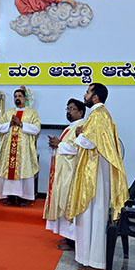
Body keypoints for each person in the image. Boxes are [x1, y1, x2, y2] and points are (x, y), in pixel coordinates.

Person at [65, 83, 129, 270]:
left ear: (95, 97)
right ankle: (90, 260)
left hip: (95, 176)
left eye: (87, 92)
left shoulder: (98, 115)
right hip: (95, 172)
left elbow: (89, 141)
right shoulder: (99, 114)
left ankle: (98, 264)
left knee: (94, 217)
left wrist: (78, 134)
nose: (84, 95)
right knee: (91, 217)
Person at [44, 98, 86, 251]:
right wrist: (56, 144)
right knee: (63, 200)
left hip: (71, 173)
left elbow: (78, 149)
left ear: (81, 112)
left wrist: (59, 144)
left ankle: (73, 241)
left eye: (72, 109)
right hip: (64, 171)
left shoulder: (82, 127)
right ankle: (68, 236)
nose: (69, 112)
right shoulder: (71, 127)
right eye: (67, 108)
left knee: (68, 203)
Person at [0, 88, 41, 207]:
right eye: (15, 96)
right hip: (9, 149)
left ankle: (23, 198)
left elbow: (36, 129)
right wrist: (9, 124)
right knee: (9, 171)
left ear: (25, 98)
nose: (17, 98)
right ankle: (10, 197)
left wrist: (21, 124)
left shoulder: (32, 113)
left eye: (20, 96)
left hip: (24, 150)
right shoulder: (8, 113)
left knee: (23, 171)